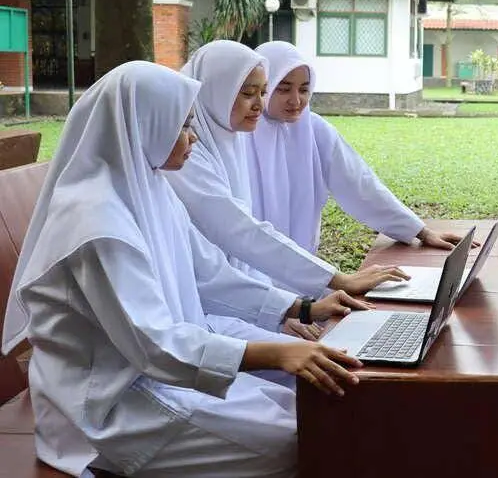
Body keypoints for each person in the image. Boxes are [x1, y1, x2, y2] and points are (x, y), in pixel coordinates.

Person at [1, 61, 362, 478]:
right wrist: (278, 352)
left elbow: (210, 275)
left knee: (311, 412)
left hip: (157, 376)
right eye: (183, 125)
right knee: (301, 441)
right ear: (144, 126)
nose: (192, 138)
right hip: (107, 406)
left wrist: (302, 308)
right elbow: (152, 342)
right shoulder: (95, 223)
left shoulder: (149, 188)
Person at [164, 41, 408, 339]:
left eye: (263, 92)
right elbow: (237, 231)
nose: (259, 104)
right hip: (205, 315)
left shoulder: (228, 137)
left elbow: (359, 182)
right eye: (248, 93)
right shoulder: (186, 155)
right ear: (215, 89)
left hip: (247, 296)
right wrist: (306, 297)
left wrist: (288, 308)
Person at [246, 41, 464, 256]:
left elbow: (360, 183)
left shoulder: (314, 130)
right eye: (283, 89)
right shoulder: (240, 134)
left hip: (302, 271)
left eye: (304, 90)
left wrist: (420, 231)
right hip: (245, 272)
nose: (296, 100)